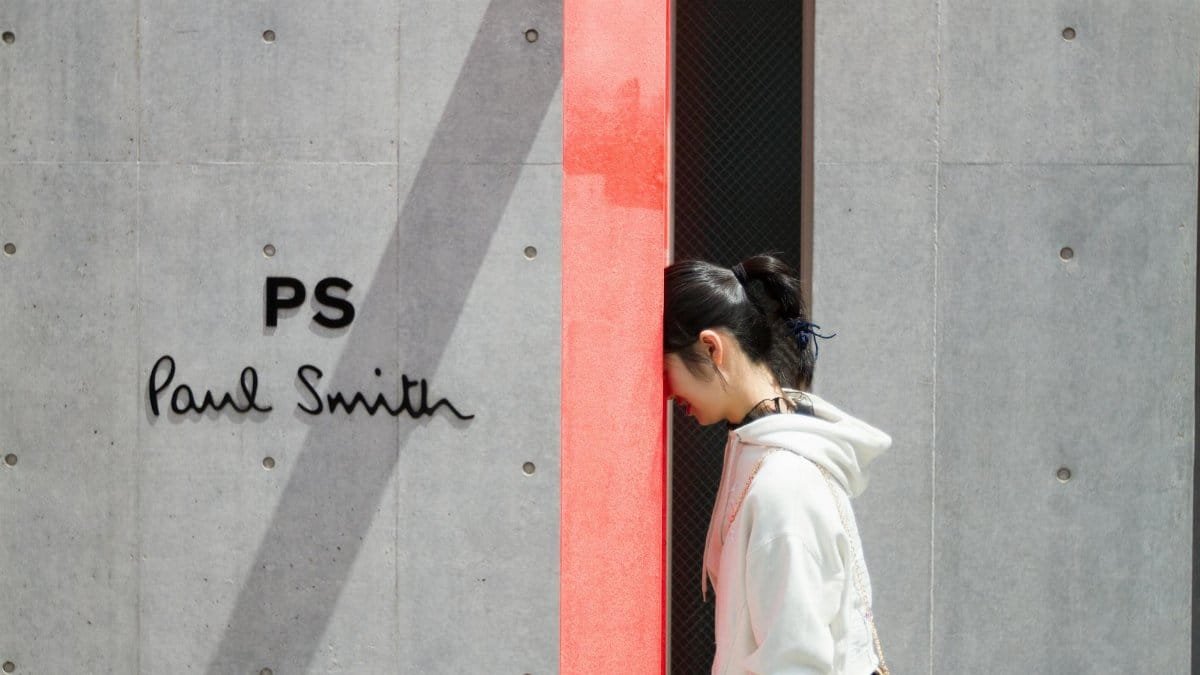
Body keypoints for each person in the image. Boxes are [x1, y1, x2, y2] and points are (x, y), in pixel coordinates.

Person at [664, 254, 892, 675]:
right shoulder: (767, 455)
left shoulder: (782, 483)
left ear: (711, 347)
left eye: (664, 367)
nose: (664, 390)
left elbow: (795, 662)